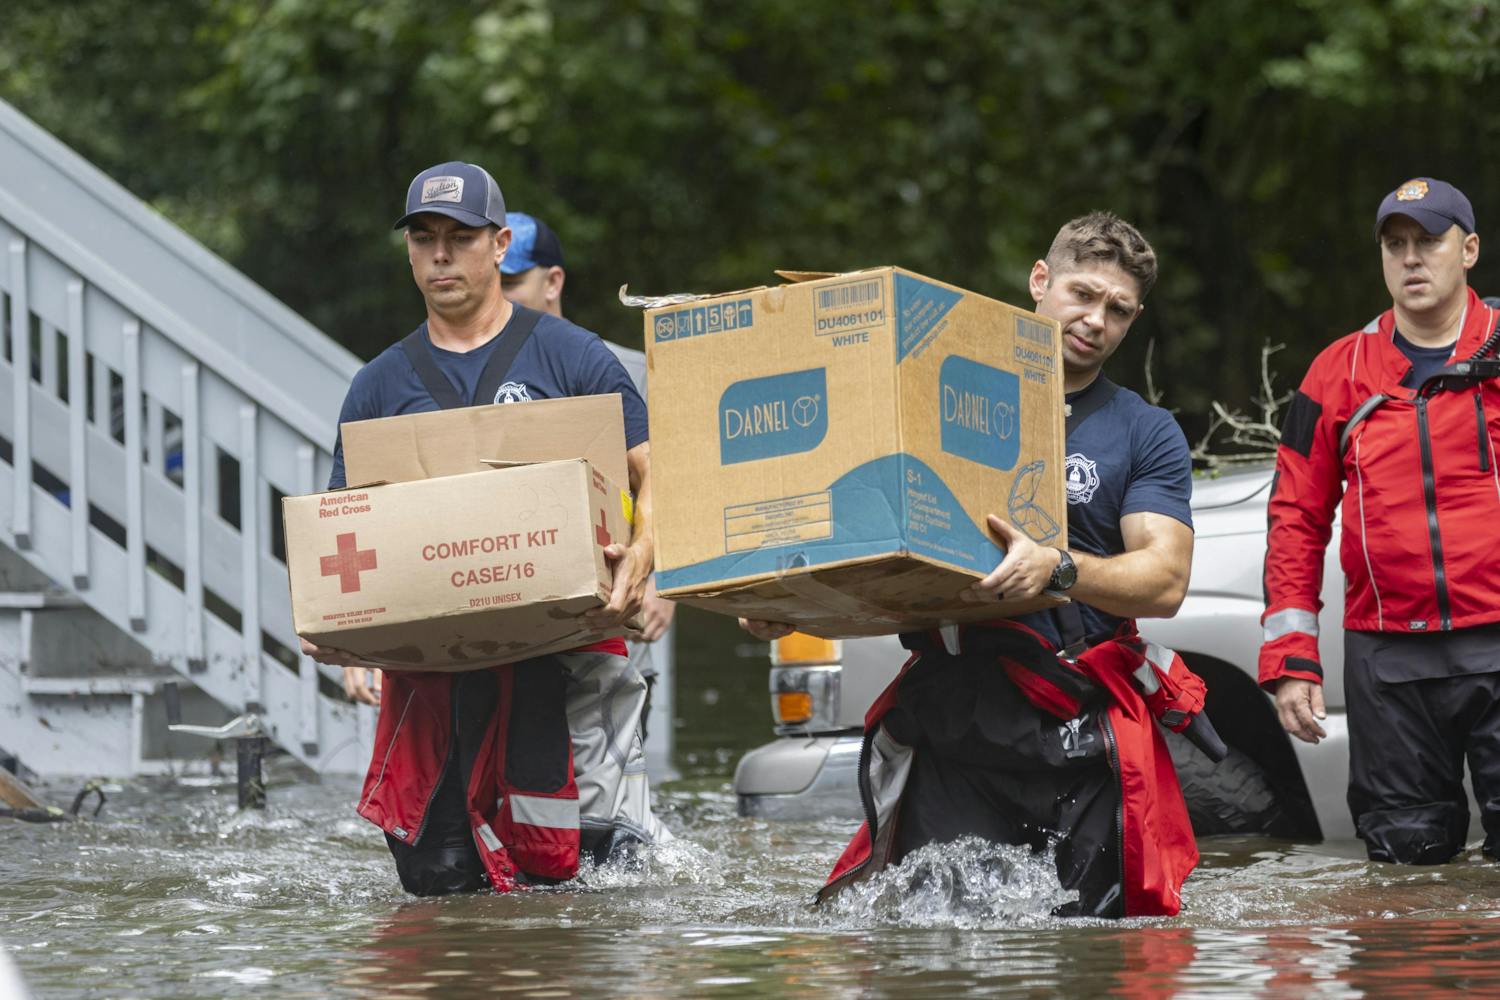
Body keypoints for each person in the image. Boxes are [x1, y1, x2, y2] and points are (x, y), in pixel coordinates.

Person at [745, 212, 1205, 917]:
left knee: (1099, 954)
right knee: (939, 949)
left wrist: (1058, 568)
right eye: (1082, 294)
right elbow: (887, 562)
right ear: (1039, 281)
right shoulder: (936, 398)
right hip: (953, 724)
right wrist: (794, 605)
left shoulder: (1144, 431)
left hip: (1077, 732)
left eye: (1118, 310)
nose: (1095, 320)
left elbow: (1165, 580)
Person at [299, 162, 660, 895]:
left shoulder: (573, 356)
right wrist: (350, 637)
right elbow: (345, 522)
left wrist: (647, 552)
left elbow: (655, 472)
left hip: (570, 661)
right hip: (434, 677)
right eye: (424, 238)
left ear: (499, 246)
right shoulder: (378, 385)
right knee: (441, 888)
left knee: (592, 886)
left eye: (460, 238)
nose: (440, 256)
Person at [1261, 177, 1500, 864]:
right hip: (1390, 660)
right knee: (1404, 873)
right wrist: (1291, 658)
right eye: (1396, 245)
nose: (1412, 259)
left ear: (1471, 249)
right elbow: (1295, 518)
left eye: (1429, 241)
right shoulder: (1337, 373)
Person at [497, 210, 675, 855]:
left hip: (619, 613)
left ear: (553, 281)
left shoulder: (619, 365)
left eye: (513, 279)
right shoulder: (480, 374)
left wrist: (669, 582)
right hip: (522, 617)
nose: (501, 289)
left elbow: (685, 480)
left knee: (613, 783)